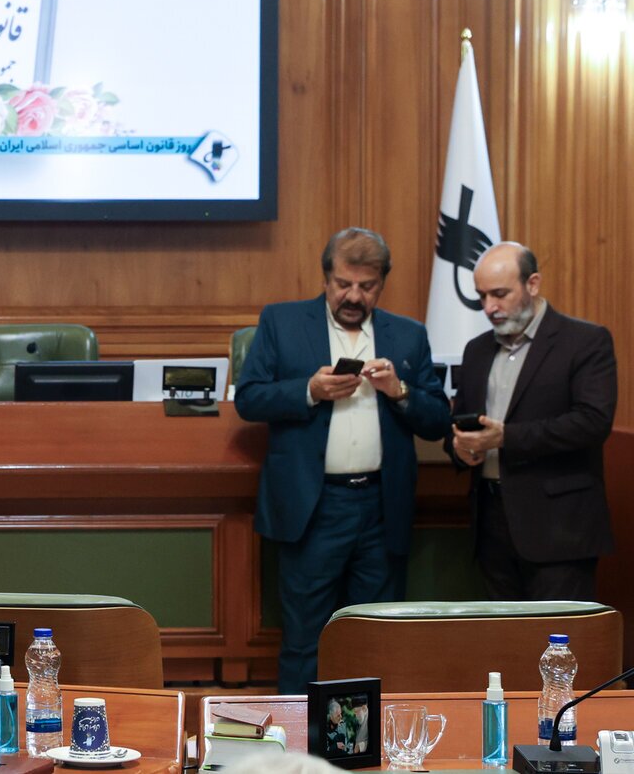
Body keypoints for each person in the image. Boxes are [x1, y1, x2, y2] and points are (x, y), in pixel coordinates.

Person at [236, 228, 449, 694]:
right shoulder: (282, 322)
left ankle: (369, 737)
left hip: (381, 509)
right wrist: (309, 390)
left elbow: (437, 420)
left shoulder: (408, 335)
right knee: (304, 640)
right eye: (343, 284)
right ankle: (299, 740)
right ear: (326, 278)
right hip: (314, 508)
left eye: (366, 286)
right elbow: (248, 398)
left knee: (375, 638)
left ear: (382, 283)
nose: (354, 296)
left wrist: (400, 391)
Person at [449, 242, 616, 599]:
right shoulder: (476, 350)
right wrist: (460, 449)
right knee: (503, 633)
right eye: (482, 296)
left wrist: (506, 437)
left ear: (533, 284)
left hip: (559, 528)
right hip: (491, 523)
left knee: (557, 633)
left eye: (500, 294)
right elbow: (460, 424)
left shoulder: (585, 341)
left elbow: (592, 422)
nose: (489, 307)